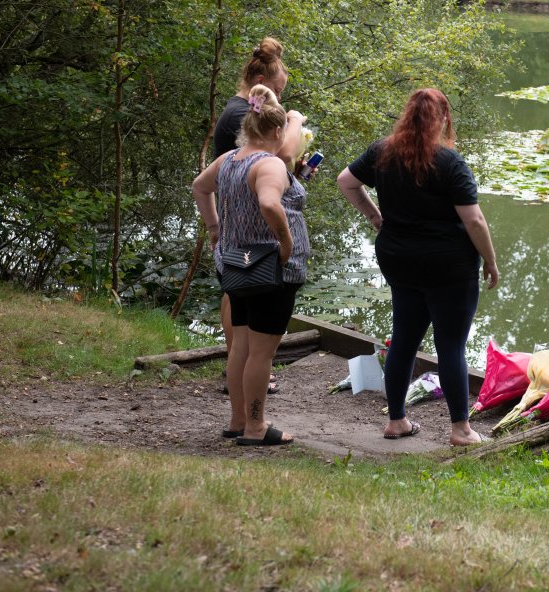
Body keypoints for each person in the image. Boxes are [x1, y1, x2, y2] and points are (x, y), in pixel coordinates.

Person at [337, 88, 499, 447]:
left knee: (405, 338)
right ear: (441, 119)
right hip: (448, 267)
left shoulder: (382, 152)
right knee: (451, 345)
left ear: (408, 115)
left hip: (399, 260)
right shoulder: (449, 162)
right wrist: (489, 260)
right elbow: (474, 222)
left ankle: (396, 421)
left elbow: (346, 182)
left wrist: (374, 216)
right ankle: (461, 430)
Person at [193, 84, 310, 445]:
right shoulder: (269, 163)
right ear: (277, 131)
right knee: (262, 352)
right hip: (270, 271)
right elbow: (270, 204)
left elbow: (200, 186)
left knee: (241, 347)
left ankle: (237, 419)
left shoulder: (229, 159)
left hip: (235, 265)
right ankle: (257, 427)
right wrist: (286, 242)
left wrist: (215, 230)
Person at [212, 37, 307, 394]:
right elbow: (280, 153)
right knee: (240, 299)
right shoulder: (244, 113)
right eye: (279, 86)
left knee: (235, 289)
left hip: (238, 222)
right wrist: (294, 120)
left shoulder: (242, 110)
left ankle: (241, 384)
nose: (282, 93)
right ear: (263, 85)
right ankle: (250, 401)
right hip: (249, 228)